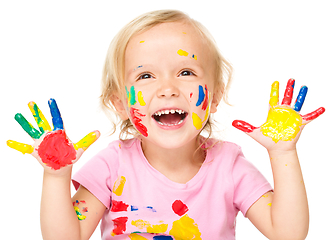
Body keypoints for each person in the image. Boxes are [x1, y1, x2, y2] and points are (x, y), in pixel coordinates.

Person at [7, 9, 325, 240]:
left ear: (214, 97)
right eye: (145, 76)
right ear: (120, 103)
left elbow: (289, 233)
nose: (167, 88)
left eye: (185, 72)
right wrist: (56, 176)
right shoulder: (112, 165)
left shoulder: (229, 167)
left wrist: (284, 154)